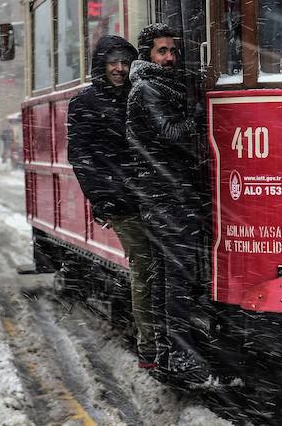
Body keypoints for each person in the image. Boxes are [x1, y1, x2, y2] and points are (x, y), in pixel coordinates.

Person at [67, 35, 157, 370]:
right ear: (100, 67)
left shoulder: (139, 95)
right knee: (145, 266)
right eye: (112, 63)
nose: (119, 69)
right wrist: (104, 198)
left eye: (124, 62)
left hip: (153, 197)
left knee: (159, 266)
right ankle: (148, 347)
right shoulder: (85, 103)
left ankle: (163, 338)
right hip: (122, 202)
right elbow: (81, 158)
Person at [126, 23, 209, 384]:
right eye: (162, 51)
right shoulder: (147, 88)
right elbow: (172, 134)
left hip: (165, 195)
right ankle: (178, 356)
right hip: (165, 197)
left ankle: (166, 354)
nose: (170, 57)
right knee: (175, 278)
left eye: (173, 51)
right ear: (147, 55)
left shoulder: (155, 85)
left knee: (167, 277)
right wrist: (199, 116)